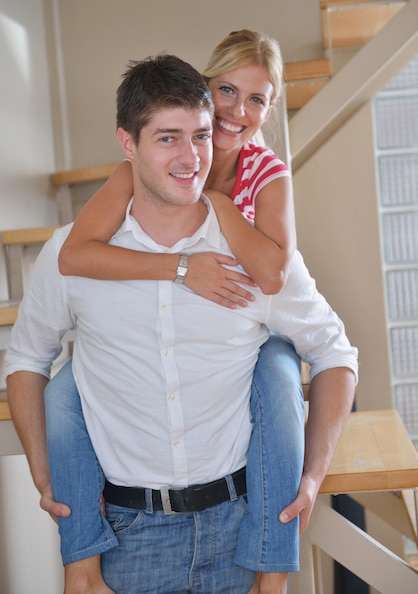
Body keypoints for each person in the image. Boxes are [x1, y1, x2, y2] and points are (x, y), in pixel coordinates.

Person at [6, 54, 358, 594]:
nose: (191, 156)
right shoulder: (71, 255)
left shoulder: (251, 257)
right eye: (168, 138)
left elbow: (334, 351)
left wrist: (312, 477)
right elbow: (27, 359)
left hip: (240, 532)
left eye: (199, 136)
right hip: (126, 540)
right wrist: (43, 470)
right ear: (128, 144)